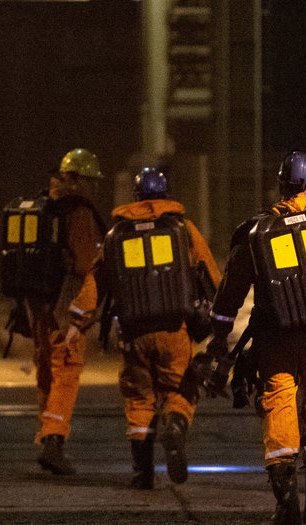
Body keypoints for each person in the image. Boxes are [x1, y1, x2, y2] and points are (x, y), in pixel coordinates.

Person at [207, 150, 306, 525]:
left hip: (275, 335)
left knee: (279, 403)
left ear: (281, 186)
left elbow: (231, 292)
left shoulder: (256, 231)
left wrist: (219, 336)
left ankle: (285, 501)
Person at [65, 167, 221, 489]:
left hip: (134, 335)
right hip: (174, 329)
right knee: (181, 389)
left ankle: (142, 472)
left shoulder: (115, 237)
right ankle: (175, 426)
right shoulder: (183, 230)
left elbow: (95, 284)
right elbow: (209, 272)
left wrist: (77, 322)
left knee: (138, 398)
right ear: (165, 194)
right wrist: (219, 315)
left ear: (135, 197)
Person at [29, 148, 107, 475]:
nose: (93, 187)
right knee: (67, 370)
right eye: (89, 180)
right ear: (76, 179)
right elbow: (86, 264)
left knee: (47, 369)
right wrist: (81, 314)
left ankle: (46, 434)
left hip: (39, 303)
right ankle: (53, 440)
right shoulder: (79, 212)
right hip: (66, 304)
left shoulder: (45, 204)